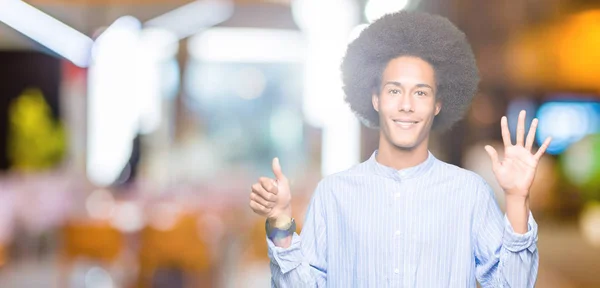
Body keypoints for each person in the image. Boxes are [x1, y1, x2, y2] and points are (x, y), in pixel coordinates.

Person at [249, 10, 551, 287]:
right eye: (395, 90)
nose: (406, 105)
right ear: (376, 99)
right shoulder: (333, 194)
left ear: (437, 105)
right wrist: (280, 220)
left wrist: (516, 199)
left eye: (420, 92)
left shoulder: (470, 193)